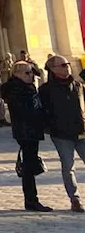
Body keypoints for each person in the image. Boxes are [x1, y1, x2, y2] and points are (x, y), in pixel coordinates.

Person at [38, 55, 86, 212]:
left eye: (68, 64)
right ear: (53, 69)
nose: (67, 67)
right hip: (61, 134)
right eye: (63, 65)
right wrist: (50, 127)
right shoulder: (46, 90)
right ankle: (75, 199)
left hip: (82, 131)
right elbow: (42, 112)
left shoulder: (78, 85)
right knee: (68, 166)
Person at [2, 61, 52, 212]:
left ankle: (31, 199)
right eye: (27, 73)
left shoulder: (27, 87)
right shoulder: (16, 89)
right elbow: (25, 110)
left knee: (30, 164)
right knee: (29, 167)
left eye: (31, 73)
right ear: (16, 74)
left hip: (32, 129)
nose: (31, 76)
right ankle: (31, 200)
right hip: (26, 130)